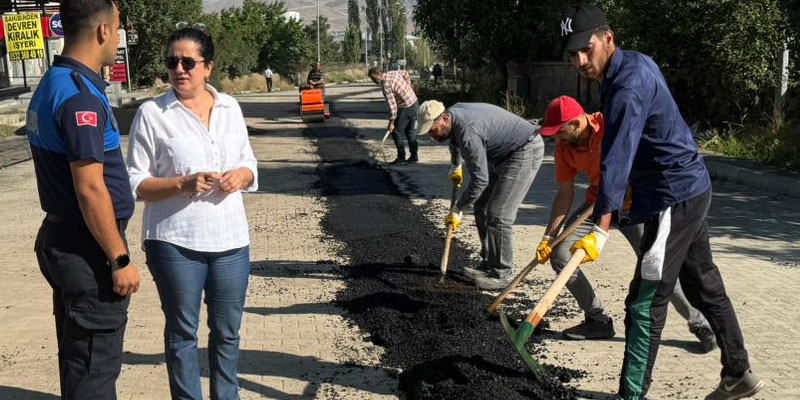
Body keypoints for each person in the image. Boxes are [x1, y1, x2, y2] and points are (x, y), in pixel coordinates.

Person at [560, 4, 763, 400]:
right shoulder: (631, 65)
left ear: (608, 39)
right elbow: (636, 144)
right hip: (689, 186)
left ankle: (632, 394)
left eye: (587, 49)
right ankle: (738, 373)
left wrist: (602, 226)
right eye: (573, 54)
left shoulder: (626, 87)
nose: (582, 60)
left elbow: (616, 158)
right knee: (704, 285)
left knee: (644, 300)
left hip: (673, 197)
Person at [127, 26, 258, 400]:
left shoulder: (231, 107)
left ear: (208, 68)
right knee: (183, 333)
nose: (179, 69)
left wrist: (242, 175)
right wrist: (181, 184)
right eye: (172, 62)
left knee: (228, 332)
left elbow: (249, 163)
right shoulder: (152, 113)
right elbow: (135, 182)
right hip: (175, 241)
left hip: (231, 240)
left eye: (188, 62)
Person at [536, 95, 717, 351]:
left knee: (657, 268)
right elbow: (565, 193)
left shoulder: (613, 127)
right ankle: (597, 319)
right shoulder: (564, 147)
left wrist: (604, 228)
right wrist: (549, 237)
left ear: (576, 124)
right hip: (596, 206)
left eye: (559, 132)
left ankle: (699, 323)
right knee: (560, 254)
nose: (556, 138)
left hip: (636, 205)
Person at [26, 0, 140, 397]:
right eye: (118, 25)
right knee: (94, 369)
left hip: (63, 240)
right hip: (88, 252)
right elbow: (90, 188)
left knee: (78, 360)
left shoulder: (54, 82)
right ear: (104, 30)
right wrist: (119, 257)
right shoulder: (80, 98)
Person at [417, 100, 544, 290]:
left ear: (443, 118)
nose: (430, 136)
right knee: (481, 207)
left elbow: (480, 180)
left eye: (432, 130)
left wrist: (458, 209)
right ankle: (490, 264)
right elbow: (454, 141)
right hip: (501, 153)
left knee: (499, 213)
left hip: (523, 150)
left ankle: (502, 273)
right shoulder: (453, 115)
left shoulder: (467, 131)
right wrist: (456, 164)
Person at [369, 66, 420, 164]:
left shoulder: (386, 86)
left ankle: (401, 158)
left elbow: (393, 108)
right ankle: (414, 156)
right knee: (411, 132)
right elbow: (405, 73)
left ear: (379, 74)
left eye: (374, 78)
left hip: (406, 108)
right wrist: (409, 87)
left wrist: (391, 122)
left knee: (396, 131)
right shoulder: (393, 73)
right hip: (415, 103)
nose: (373, 80)